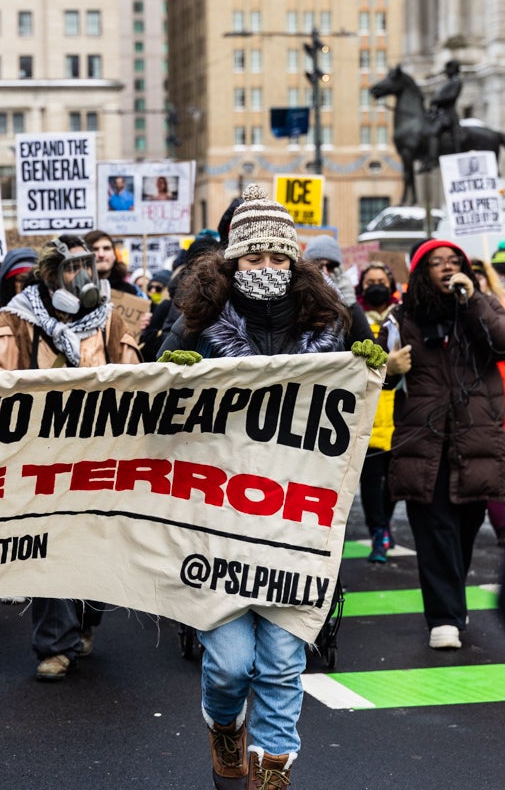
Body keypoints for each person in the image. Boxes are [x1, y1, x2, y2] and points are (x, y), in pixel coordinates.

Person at [158, 184, 384, 790]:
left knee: (284, 660)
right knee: (230, 664)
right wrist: (171, 379)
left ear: (295, 262)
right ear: (233, 261)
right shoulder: (197, 324)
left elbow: (372, 386)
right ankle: (224, 724)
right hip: (222, 520)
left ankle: (271, 770)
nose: (266, 269)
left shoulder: (335, 321)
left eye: (278, 258)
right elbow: (151, 403)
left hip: (299, 519)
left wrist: (373, 367)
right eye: (254, 259)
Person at [0, 234, 141, 680]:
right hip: (44, 458)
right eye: (71, 269)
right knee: (51, 549)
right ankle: (55, 646)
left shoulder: (111, 321)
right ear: (50, 276)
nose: (83, 277)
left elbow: (138, 377)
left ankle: (86, 619)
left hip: (102, 455)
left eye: (88, 266)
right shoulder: (21, 319)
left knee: (99, 548)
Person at [379, 239, 505, 651]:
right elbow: (375, 376)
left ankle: (451, 603)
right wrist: (388, 369)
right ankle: (444, 618)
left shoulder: (482, 304)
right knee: (434, 529)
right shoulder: (400, 317)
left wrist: (473, 302)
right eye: (435, 262)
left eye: (452, 261)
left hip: (475, 439)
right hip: (426, 443)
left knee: (465, 528)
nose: (445, 268)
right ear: (420, 272)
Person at [357, 261, 407, 562]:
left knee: (394, 480)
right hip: (369, 412)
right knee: (371, 480)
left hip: (398, 413)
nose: (375, 285)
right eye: (369, 281)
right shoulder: (355, 318)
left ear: (390, 285)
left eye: (380, 279)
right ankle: (377, 530)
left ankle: (384, 524)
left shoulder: (400, 318)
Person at [469, 257, 505, 547]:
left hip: (499, 400)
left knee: (498, 463)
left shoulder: (503, 314)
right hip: (468, 400)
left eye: (480, 276)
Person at [300, 235, 374, 345]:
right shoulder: (296, 298)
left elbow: (367, 344)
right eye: (317, 265)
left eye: (331, 266)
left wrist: (347, 304)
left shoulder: (349, 301)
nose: (324, 271)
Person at [421, 60, 462, 172]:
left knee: (433, 132)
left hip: (448, 115)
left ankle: (433, 159)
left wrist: (436, 100)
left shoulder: (456, 81)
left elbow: (451, 96)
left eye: (448, 69)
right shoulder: (449, 82)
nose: (446, 72)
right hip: (442, 113)